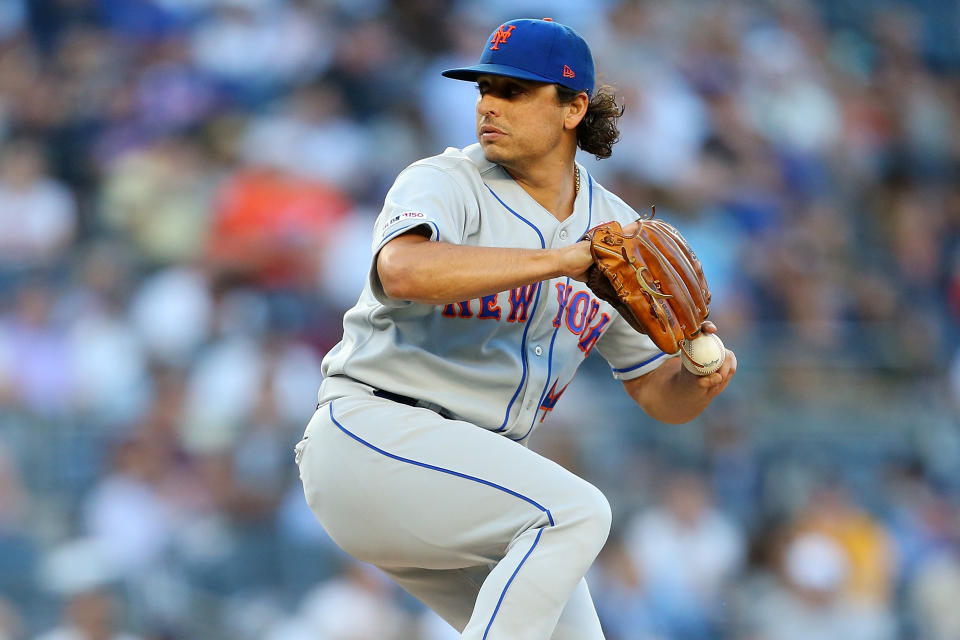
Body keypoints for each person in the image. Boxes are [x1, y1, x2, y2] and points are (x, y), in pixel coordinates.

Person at [296, 18, 737, 640]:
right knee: (576, 513)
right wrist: (560, 261)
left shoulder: (616, 232)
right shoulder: (445, 181)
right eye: (484, 89)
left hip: (469, 477)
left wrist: (698, 378)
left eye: (513, 91)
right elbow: (401, 271)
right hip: (372, 436)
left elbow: (655, 394)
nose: (488, 106)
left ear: (573, 108)